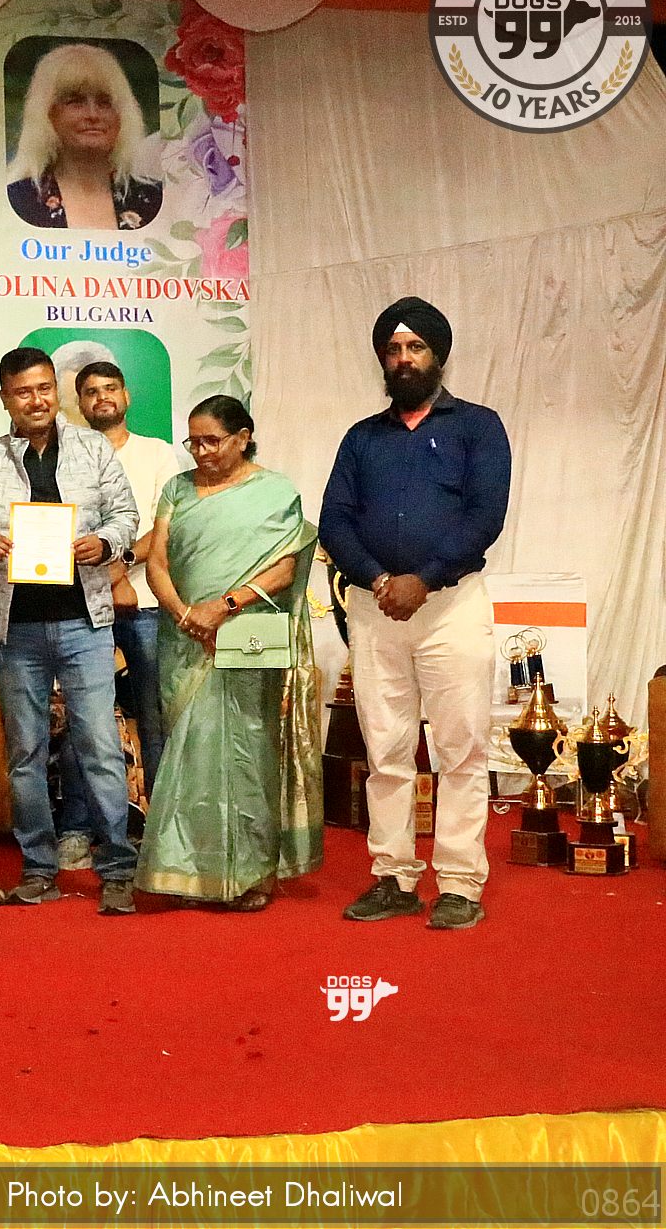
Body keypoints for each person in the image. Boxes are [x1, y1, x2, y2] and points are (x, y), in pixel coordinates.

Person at [323, 297, 511, 930]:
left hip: (450, 606)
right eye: (393, 350)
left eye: (415, 348)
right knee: (385, 749)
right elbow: (334, 520)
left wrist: (424, 580)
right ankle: (393, 876)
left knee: (461, 749)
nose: (403, 359)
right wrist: (380, 579)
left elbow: (485, 516)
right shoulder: (361, 438)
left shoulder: (478, 427)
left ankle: (459, 882)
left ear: (438, 356)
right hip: (375, 607)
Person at [0, 347, 140, 914]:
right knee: (25, 755)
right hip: (16, 630)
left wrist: (104, 543)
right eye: (22, 392)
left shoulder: (93, 449)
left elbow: (127, 517)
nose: (35, 401)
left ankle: (117, 867)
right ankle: (38, 867)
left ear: (55, 391)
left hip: (85, 622)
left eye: (43, 389)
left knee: (100, 748)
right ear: (5, 398)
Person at [136, 397, 322, 908]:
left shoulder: (275, 492)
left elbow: (284, 569)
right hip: (185, 638)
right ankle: (185, 871)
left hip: (245, 638)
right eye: (193, 442)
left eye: (212, 441)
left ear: (243, 438)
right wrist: (184, 614)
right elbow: (157, 562)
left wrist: (224, 606)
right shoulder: (177, 489)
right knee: (189, 751)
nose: (201, 452)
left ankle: (251, 873)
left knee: (246, 751)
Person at [53, 359, 185, 869]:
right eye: (90, 391)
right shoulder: (67, 456)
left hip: (148, 605)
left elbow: (165, 527)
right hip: (84, 607)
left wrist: (119, 569)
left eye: (110, 388)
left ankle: (161, 830)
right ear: (79, 403)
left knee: (155, 720)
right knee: (85, 721)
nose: (101, 397)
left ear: (127, 395)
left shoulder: (158, 455)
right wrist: (105, 581)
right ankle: (77, 828)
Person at [5, 42, 162, 232]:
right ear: (47, 113)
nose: (93, 114)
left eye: (105, 102)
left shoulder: (154, 200)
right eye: (76, 101)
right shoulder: (18, 201)